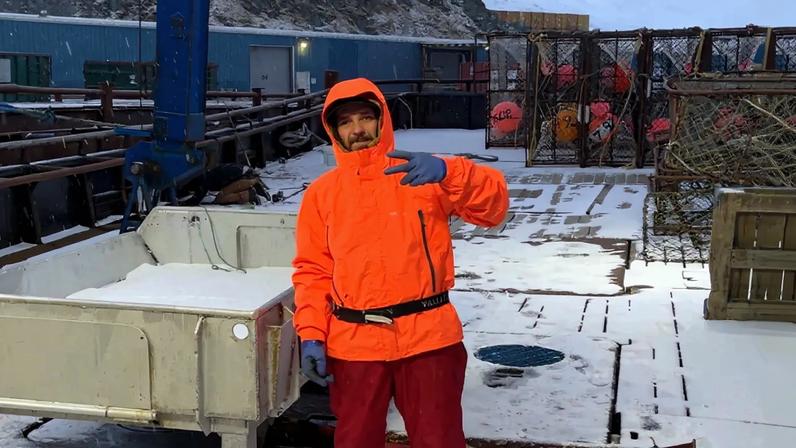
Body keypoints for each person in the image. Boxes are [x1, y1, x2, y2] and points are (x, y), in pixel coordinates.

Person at [291, 77, 508, 448]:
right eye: (345, 122)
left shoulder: (421, 174)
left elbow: (494, 209)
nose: (357, 129)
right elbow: (312, 271)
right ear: (333, 131)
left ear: (382, 120)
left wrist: (451, 171)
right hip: (354, 345)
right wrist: (311, 334)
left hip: (429, 340)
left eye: (365, 118)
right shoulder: (321, 195)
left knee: (439, 440)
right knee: (355, 440)